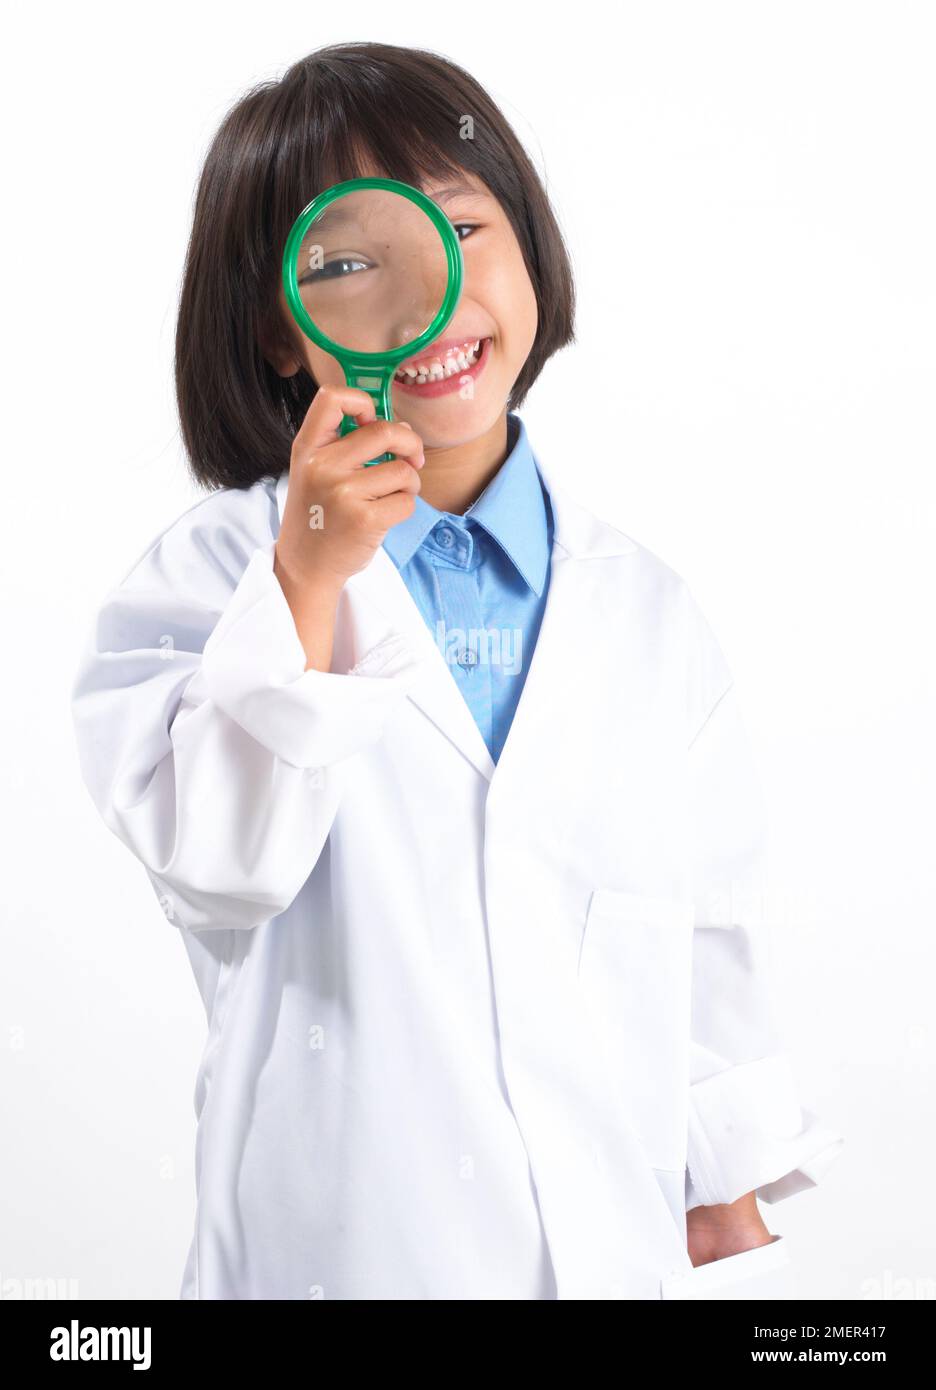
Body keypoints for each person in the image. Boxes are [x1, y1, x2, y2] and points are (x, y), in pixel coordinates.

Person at [70, 41, 844, 1300]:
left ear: (530, 248)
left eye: (465, 226)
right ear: (278, 330)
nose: (422, 297)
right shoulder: (210, 580)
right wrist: (306, 584)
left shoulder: (647, 613)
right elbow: (218, 863)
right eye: (352, 261)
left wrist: (742, 1265)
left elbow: (704, 975)